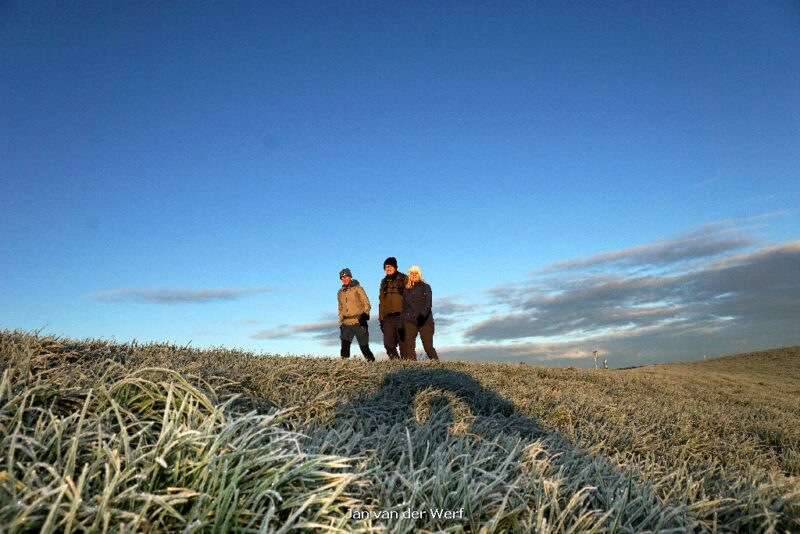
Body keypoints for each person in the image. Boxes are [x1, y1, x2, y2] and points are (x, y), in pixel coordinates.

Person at [337, 267, 375, 361]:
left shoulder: (358, 289)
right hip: (346, 323)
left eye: (346, 276)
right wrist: (341, 322)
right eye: (342, 277)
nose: (344, 279)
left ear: (350, 277)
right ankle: (344, 367)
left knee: (364, 347)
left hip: (358, 321)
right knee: (344, 348)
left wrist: (364, 316)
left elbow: (366, 303)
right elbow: (340, 308)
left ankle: (373, 364)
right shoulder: (340, 292)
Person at [402, 265, 439, 361]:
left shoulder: (426, 287)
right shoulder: (406, 290)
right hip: (410, 321)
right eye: (411, 273)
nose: (414, 275)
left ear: (419, 275)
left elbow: (428, 303)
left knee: (428, 347)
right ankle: (413, 370)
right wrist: (403, 321)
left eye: (416, 273)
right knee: (409, 346)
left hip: (425, 321)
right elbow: (404, 307)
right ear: (409, 276)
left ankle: (439, 367)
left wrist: (422, 316)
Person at [378, 257, 408, 360]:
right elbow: (381, 301)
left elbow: (412, 297)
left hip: (402, 316)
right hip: (388, 318)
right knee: (388, 344)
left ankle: (407, 369)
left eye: (390, 266)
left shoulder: (404, 278)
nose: (388, 268)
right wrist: (381, 319)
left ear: (395, 267)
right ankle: (396, 363)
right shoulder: (384, 282)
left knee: (404, 345)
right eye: (386, 267)